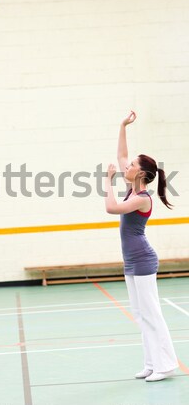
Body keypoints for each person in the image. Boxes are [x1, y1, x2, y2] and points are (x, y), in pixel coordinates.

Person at [105, 110, 179, 382]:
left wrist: (107, 180)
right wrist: (122, 125)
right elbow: (122, 156)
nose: (126, 167)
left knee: (152, 313)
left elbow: (112, 208)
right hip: (131, 261)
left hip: (144, 260)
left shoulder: (142, 198)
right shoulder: (132, 187)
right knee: (139, 313)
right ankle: (151, 363)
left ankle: (166, 365)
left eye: (132, 166)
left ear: (142, 174)